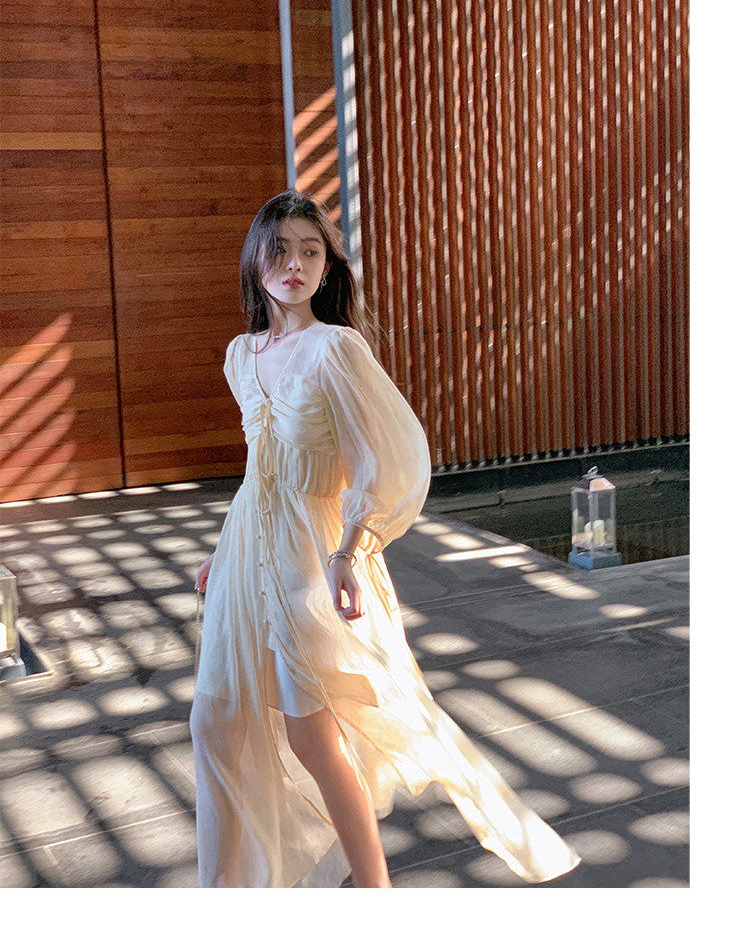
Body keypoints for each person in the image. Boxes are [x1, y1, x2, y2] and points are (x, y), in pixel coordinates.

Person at [189, 189, 580, 888]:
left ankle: (376, 891)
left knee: (311, 734)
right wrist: (224, 553)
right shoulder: (241, 355)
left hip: (310, 552)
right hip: (248, 546)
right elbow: (260, 469)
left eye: (312, 252)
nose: (296, 264)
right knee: (214, 722)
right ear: (255, 261)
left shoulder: (335, 348)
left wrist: (351, 549)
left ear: (327, 268)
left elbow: (386, 459)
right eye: (281, 249)